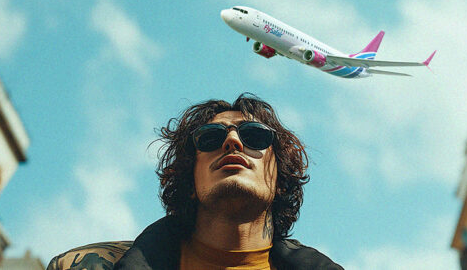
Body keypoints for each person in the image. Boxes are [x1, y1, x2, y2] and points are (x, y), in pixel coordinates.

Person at [48, 93, 341, 269]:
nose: (232, 142)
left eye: (254, 135)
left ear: (281, 177)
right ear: (189, 176)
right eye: (210, 138)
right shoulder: (86, 266)